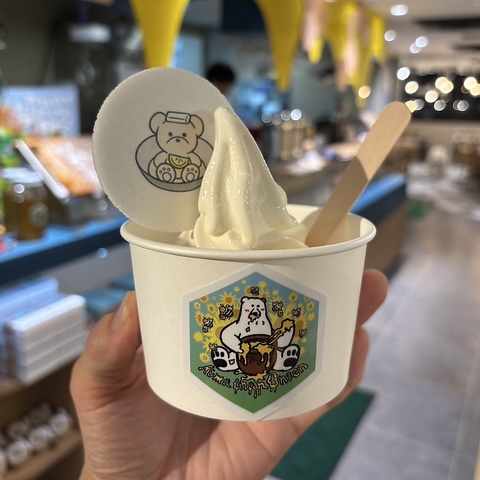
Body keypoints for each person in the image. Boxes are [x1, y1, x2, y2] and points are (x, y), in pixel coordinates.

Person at [71, 269, 388, 480]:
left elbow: (271, 335)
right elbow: (228, 335)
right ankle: (237, 360)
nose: (256, 312)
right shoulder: (237, 328)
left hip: (262, 359)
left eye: (258, 310)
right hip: (241, 358)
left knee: (277, 350)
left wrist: (284, 336)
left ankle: (279, 358)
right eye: (252, 309)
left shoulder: (265, 325)